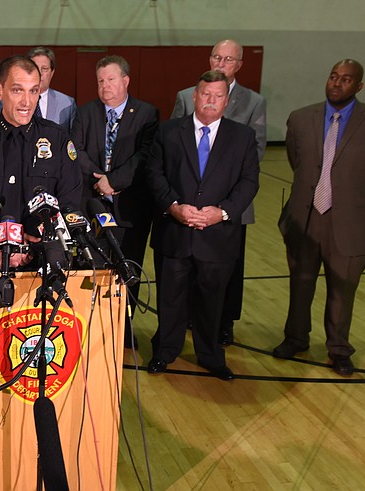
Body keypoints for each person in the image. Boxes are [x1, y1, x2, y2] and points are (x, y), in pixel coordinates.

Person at [274, 59, 365, 376]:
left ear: (359, 86)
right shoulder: (301, 118)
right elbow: (298, 161)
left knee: (342, 291)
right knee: (300, 284)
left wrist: (350, 198)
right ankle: (295, 338)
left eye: (346, 79)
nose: (337, 82)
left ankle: (338, 349)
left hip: (349, 221)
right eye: (333, 76)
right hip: (305, 217)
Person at [145, 70, 259, 380]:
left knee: (212, 302)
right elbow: (155, 175)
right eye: (205, 94)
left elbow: (249, 182)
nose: (211, 100)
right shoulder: (168, 132)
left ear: (227, 100)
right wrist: (174, 207)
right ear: (194, 96)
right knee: (170, 298)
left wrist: (221, 212)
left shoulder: (243, 137)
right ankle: (165, 351)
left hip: (218, 235)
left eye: (218, 96)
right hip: (175, 231)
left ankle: (210, 356)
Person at [171, 39, 266, 346]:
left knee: (227, 271)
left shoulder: (253, 102)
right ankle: (185, 319)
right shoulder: (187, 95)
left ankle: (223, 324)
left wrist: (223, 204)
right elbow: (173, 149)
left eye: (229, 59)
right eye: (217, 57)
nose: (221, 63)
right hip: (187, 203)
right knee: (184, 266)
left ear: (239, 65)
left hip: (229, 204)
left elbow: (258, 151)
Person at [0, 55, 82, 269]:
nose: (27, 101)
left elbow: (69, 198)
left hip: (42, 259)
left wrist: (28, 240)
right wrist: (2, 240)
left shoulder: (57, 138)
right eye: (17, 90)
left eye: (33, 91)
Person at [71, 55, 159, 348]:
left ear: (125, 81)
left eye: (111, 79)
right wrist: (99, 179)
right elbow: (76, 149)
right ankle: (93, 323)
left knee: (128, 266)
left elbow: (144, 156)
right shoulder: (85, 113)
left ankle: (124, 325)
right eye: (100, 81)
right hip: (92, 202)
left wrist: (115, 181)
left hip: (130, 206)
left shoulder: (147, 113)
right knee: (91, 264)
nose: (105, 86)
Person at [0, 47, 77, 131]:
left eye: (44, 69)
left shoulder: (67, 103)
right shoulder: (6, 101)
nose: (40, 73)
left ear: (52, 73)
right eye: (35, 68)